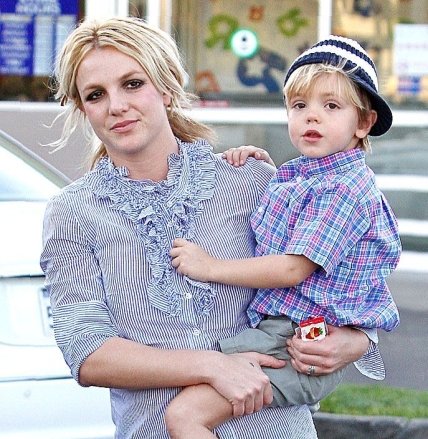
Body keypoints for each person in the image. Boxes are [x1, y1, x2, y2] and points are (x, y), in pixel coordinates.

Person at [40, 17, 376, 438]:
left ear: (166, 88)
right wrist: (212, 366)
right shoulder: (72, 214)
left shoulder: (252, 181)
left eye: (132, 84)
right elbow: (88, 353)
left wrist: (356, 341)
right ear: (83, 108)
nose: (116, 106)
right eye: (95, 95)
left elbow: (340, 277)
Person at [168, 35, 401, 438]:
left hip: (298, 342)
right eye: (299, 105)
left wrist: (208, 267)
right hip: (285, 333)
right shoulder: (307, 176)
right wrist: (259, 168)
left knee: (185, 415)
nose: (312, 117)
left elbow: (293, 268)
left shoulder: (344, 190)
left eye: (331, 106)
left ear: (364, 123)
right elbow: (290, 222)